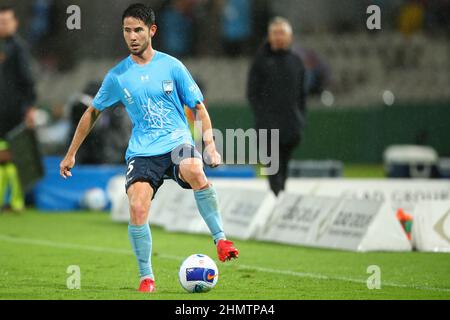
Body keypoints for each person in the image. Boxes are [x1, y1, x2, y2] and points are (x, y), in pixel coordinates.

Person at [59, 3, 239, 293]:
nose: (132, 36)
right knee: (137, 205)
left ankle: (220, 239)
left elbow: (199, 107)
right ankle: (147, 277)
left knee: (194, 168)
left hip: (176, 142)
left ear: (152, 31)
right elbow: (92, 112)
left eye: (138, 30)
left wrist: (210, 146)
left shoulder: (172, 66)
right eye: (127, 30)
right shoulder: (118, 76)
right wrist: (71, 153)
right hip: (143, 152)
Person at [247, 17, 307, 196]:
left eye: (282, 33)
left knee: (284, 167)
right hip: (268, 125)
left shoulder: (296, 62)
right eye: (275, 33)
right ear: (269, 36)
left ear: (290, 37)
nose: (279, 36)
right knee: (273, 169)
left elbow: (302, 95)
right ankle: (277, 198)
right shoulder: (260, 61)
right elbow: (252, 93)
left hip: (290, 125)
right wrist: (263, 117)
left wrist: (300, 120)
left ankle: (279, 198)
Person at [0, 6, 37, 212]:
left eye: (6, 21)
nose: (2, 25)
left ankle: (16, 201)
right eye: (0, 21)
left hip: (14, 112)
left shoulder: (18, 48)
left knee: (12, 157)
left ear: (15, 24)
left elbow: (28, 81)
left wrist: (30, 107)